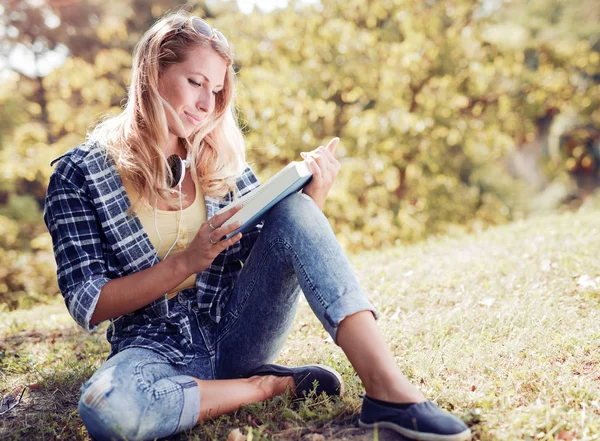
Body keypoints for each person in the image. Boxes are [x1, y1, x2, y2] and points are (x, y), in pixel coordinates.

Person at [43, 11, 471, 441]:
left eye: (216, 90)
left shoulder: (219, 157)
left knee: (295, 209)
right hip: (152, 348)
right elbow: (88, 302)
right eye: (195, 83)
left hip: (238, 333)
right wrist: (186, 262)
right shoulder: (79, 174)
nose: (207, 105)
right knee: (106, 407)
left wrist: (312, 201)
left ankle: (389, 393)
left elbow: (267, 250)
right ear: (153, 73)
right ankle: (265, 387)